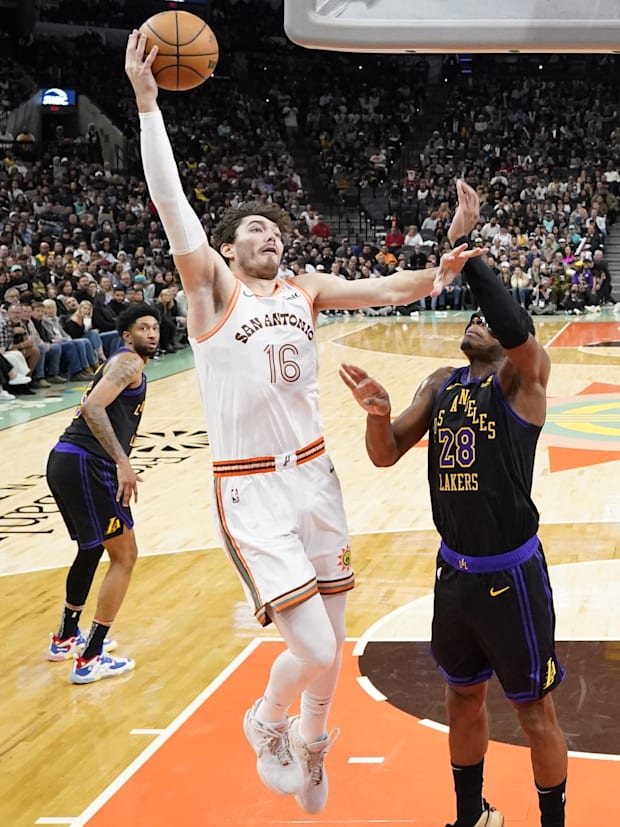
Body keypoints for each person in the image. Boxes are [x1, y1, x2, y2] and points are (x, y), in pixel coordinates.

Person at [124, 32, 482, 813]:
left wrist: (440, 268)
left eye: (276, 228)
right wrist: (150, 106)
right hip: (253, 490)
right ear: (225, 249)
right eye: (253, 228)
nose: (269, 234)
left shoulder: (304, 288)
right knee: (311, 644)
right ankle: (266, 717)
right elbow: (171, 207)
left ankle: (314, 747)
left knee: (334, 638)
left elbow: (387, 291)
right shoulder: (214, 294)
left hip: (316, 475)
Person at [340, 180, 567, 827]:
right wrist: (377, 414)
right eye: (469, 317)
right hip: (453, 575)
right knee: (461, 701)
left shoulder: (524, 377)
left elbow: (515, 324)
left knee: (533, 712)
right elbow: (385, 453)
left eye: (483, 318)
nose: (474, 322)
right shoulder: (440, 383)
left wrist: (463, 252)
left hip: (511, 575)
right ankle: (472, 816)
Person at [46, 303, 160, 684]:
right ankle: (90, 657)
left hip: (66, 459)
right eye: (143, 328)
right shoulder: (129, 363)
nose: (152, 334)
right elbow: (92, 407)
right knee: (125, 556)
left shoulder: (121, 362)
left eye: (155, 328)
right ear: (127, 335)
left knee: (93, 547)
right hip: (87, 463)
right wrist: (121, 461)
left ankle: (65, 638)